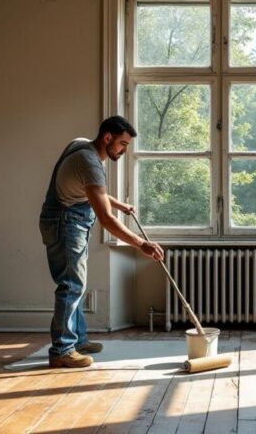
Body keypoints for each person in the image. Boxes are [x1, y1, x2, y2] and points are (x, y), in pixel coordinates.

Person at [39, 116, 164, 368]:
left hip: (66, 219)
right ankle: (62, 350)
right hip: (65, 222)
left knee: (77, 284)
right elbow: (106, 219)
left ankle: (78, 340)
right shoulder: (90, 162)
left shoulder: (81, 144)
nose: (124, 149)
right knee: (71, 285)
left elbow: (94, 191)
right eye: (122, 143)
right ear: (107, 137)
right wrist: (142, 245)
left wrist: (121, 205)